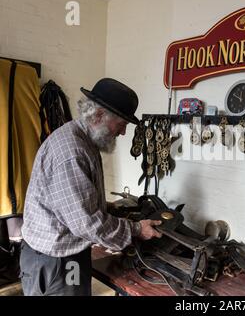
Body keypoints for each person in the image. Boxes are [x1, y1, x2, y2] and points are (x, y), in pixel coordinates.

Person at [20, 78, 162, 296]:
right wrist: (136, 229)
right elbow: (87, 224)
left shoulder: (82, 139)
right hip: (59, 263)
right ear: (98, 116)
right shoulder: (72, 152)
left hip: (59, 257)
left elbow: (71, 201)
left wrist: (108, 207)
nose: (123, 132)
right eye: (122, 124)